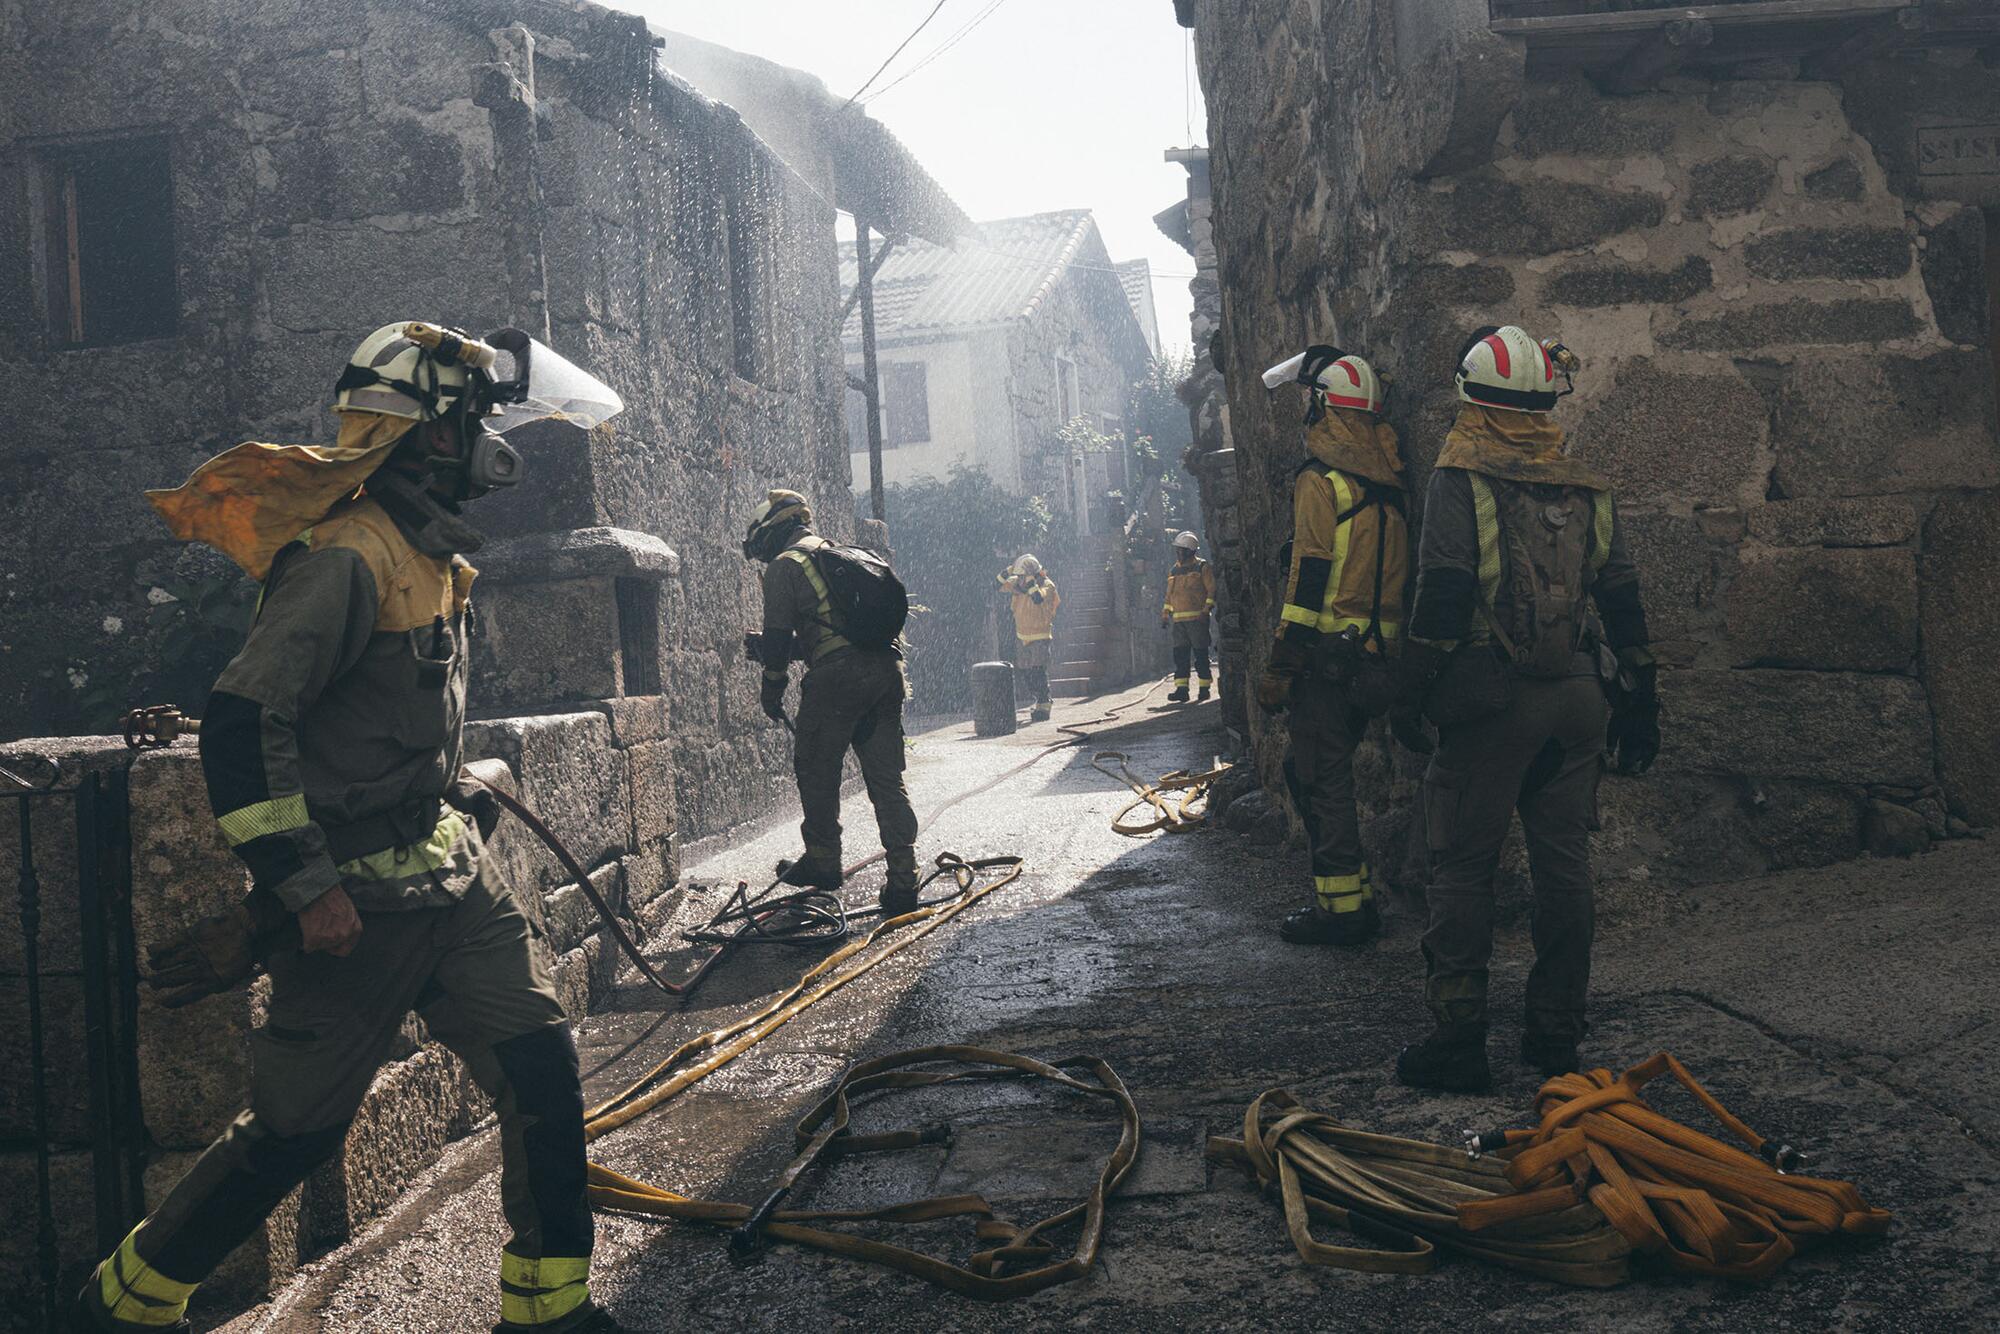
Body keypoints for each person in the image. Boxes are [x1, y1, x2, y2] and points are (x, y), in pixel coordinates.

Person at [81, 323, 623, 1333]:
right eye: (473, 420)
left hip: (452, 885)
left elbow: (378, 718)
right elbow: (244, 726)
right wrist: (302, 887)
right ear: (422, 436)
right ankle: (120, 1306)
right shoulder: (345, 559)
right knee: (291, 1135)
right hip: (355, 909)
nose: (490, 442)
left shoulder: (429, 553)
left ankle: (549, 1314)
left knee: (540, 1067)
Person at [1391, 325, 1658, 1094]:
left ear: (1472, 397)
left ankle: (1459, 1040)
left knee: (1462, 868)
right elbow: (1623, 595)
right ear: (1546, 402)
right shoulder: (1584, 484)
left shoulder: (1459, 476)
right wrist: (1644, 703)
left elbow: (1441, 599)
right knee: (1564, 868)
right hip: (1580, 701)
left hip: (1491, 704)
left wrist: (1410, 697)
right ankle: (1555, 1035)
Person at [1255, 349, 1409, 947]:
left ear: (1323, 407)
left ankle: (1342, 912)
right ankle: (1355, 895)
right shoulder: (1390, 484)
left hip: (1326, 660)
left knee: (1322, 779)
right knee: (1308, 769)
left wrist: (1280, 666)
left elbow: (1309, 579)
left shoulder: (1321, 482)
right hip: (1377, 659)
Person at [746, 490, 921, 913]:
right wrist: (794, 650)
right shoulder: (836, 556)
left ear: (772, 530)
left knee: (815, 765)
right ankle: (904, 878)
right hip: (885, 671)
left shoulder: (786, 566)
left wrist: (772, 686)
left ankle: (823, 859)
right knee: (885, 778)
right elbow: (835, 634)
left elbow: (776, 635)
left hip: (838, 681)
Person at [997, 554, 1061, 722]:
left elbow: (1038, 598)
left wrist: (1030, 581)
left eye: (1022, 576)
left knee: (1038, 670)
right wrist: (1009, 570)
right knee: (1026, 672)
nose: (1019, 580)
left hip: (1040, 635)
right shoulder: (1017, 585)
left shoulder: (1047, 585)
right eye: (1018, 577)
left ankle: (1044, 703)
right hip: (1022, 635)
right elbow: (996, 585)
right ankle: (1038, 699)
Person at [1161, 531, 1216, 702]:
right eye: (1177, 550)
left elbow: (1211, 590)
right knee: (1180, 656)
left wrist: (1205, 610)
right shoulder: (1174, 570)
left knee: (1200, 656)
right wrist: (1165, 614)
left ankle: (1204, 688)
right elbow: (1170, 595)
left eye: (1181, 550)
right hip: (1179, 622)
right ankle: (1182, 690)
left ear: (1191, 551)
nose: (1178, 553)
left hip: (1197, 621)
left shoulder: (1202, 567)